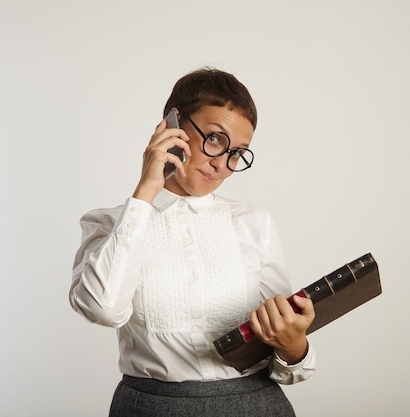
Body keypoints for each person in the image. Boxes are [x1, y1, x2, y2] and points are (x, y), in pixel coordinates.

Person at [69, 68, 316, 417]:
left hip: (256, 405)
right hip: (151, 407)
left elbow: (279, 348)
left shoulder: (254, 223)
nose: (221, 165)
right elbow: (102, 309)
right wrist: (144, 193)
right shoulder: (109, 223)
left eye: (238, 153)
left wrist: (295, 346)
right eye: (215, 138)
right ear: (172, 125)